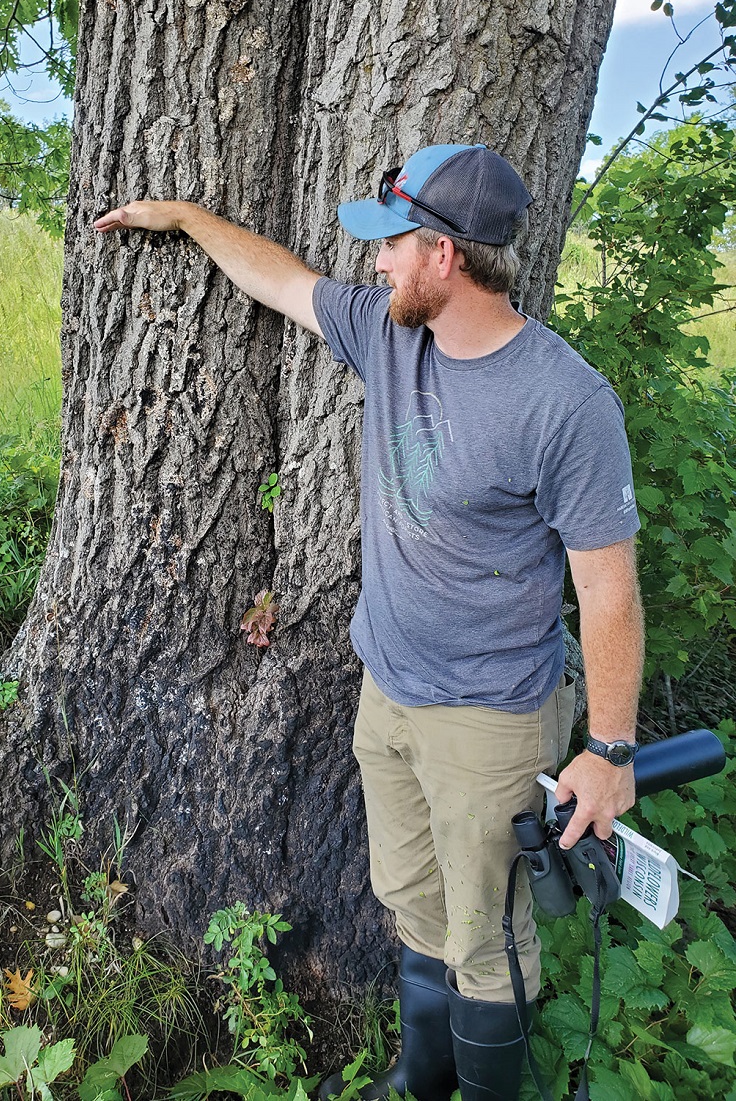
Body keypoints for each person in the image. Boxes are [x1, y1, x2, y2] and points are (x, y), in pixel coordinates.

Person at [94, 143, 644, 1101]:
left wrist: (611, 748)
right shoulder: (392, 333)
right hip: (387, 690)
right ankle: (422, 1077)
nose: (375, 261)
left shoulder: (564, 403)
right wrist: (183, 214)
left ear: (445, 256)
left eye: (392, 244)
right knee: (415, 906)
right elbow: (285, 280)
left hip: (490, 719)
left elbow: (607, 588)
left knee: (487, 934)